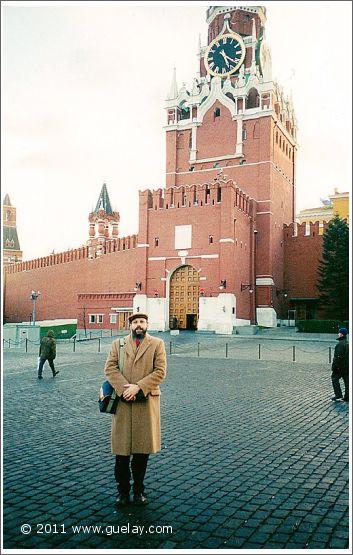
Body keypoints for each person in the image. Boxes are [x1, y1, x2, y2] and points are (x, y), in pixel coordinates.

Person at [104, 312, 167, 507]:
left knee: (141, 454)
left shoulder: (157, 344)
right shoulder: (118, 344)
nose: (139, 325)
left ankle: (139, 491)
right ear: (130, 326)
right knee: (121, 454)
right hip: (123, 403)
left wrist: (138, 387)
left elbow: (160, 371)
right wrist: (125, 389)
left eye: (142, 322)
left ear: (147, 324)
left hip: (145, 403)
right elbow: (110, 368)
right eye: (135, 322)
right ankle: (122, 492)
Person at [331, 327, 349, 402]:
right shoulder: (347, 343)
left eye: (339, 333)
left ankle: (338, 395)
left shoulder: (340, 344)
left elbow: (337, 357)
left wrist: (334, 366)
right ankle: (347, 396)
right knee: (347, 381)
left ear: (341, 334)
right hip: (347, 366)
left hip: (340, 367)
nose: (338, 334)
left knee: (334, 379)